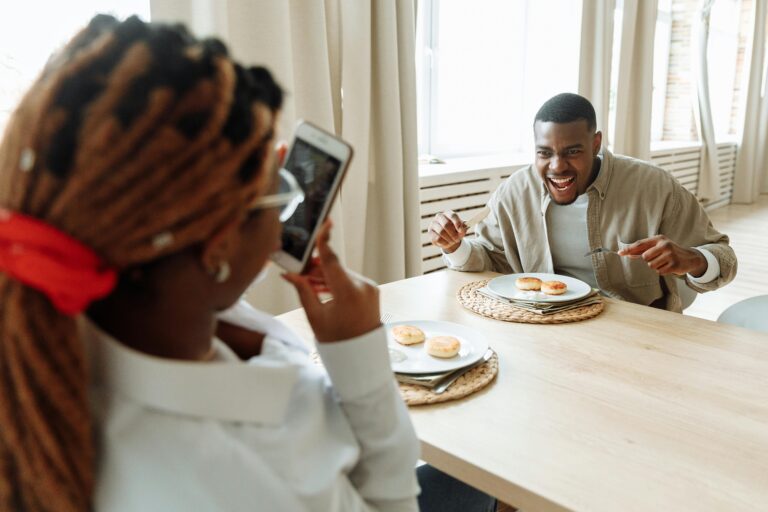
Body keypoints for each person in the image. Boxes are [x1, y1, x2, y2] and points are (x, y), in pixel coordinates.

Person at [0, 15, 496, 512]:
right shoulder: (238, 482)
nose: (288, 193)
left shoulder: (106, 319)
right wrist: (359, 360)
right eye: (275, 187)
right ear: (216, 246)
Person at [429, 93, 736, 312]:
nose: (557, 167)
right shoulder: (514, 192)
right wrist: (455, 247)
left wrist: (693, 260)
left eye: (573, 152)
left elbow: (724, 257)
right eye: (544, 152)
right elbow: (491, 261)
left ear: (596, 143)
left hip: (634, 329)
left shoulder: (654, 186)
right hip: (543, 327)